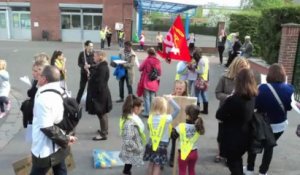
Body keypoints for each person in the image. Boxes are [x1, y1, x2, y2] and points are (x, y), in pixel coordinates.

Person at [244, 64, 294, 175]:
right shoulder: (290, 89)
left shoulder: (262, 88)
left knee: (254, 144)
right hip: (279, 125)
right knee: (269, 147)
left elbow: (254, 105)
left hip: (261, 124)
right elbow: (290, 107)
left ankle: (249, 169)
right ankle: (263, 172)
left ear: (269, 74)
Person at [30, 65, 77, 175]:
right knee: (60, 170)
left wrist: (65, 139)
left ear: (44, 79)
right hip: (59, 145)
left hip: (46, 148)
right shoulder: (62, 89)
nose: (37, 77)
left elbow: (47, 128)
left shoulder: (44, 98)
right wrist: (67, 138)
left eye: (40, 75)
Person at [216, 69, 258, 175]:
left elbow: (219, 115)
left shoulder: (234, 99)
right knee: (237, 160)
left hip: (233, 138)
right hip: (245, 135)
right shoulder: (252, 96)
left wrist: (229, 98)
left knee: (233, 163)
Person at [214, 57, 250, 163]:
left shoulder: (247, 79)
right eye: (241, 67)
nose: (243, 69)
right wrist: (229, 97)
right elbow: (217, 93)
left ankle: (232, 155)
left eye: (245, 67)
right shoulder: (224, 77)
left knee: (235, 135)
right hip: (225, 110)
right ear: (235, 66)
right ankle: (220, 153)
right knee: (222, 134)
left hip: (239, 112)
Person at [144, 96, 180, 175]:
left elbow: (149, 129)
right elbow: (178, 109)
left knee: (151, 163)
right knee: (157, 165)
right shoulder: (166, 118)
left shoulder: (150, 118)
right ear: (164, 107)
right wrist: (170, 100)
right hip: (162, 145)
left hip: (151, 143)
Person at [86, 50, 112, 141]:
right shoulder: (102, 65)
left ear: (100, 57)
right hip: (102, 92)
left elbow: (98, 82)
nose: (93, 58)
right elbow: (95, 70)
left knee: (101, 113)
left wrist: (90, 78)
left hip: (100, 94)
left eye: (95, 56)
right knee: (102, 113)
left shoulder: (102, 67)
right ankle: (104, 130)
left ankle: (103, 133)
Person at [174, 105, 205, 175]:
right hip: (194, 153)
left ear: (187, 115)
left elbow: (173, 136)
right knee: (191, 171)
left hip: (183, 153)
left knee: (182, 171)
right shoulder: (198, 126)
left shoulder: (181, 126)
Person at [119, 95, 146, 175]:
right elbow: (128, 141)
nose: (142, 109)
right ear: (135, 108)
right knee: (129, 162)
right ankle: (126, 172)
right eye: (141, 107)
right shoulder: (130, 123)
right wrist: (137, 148)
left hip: (130, 149)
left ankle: (126, 171)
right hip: (131, 149)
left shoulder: (130, 118)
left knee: (128, 163)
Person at [24, 58, 50, 127]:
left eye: (38, 70)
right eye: (34, 70)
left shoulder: (49, 86)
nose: (34, 73)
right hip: (34, 119)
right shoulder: (35, 82)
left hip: (44, 123)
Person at [138, 47, 162, 118]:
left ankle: (147, 112)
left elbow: (140, 68)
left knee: (146, 97)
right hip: (154, 81)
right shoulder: (157, 61)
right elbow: (160, 73)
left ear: (148, 53)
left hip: (146, 80)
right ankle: (153, 112)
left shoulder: (147, 60)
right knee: (153, 97)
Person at [194, 48, 209, 114]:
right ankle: (206, 110)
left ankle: (197, 110)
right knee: (203, 94)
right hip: (205, 79)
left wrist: (194, 69)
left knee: (197, 94)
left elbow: (201, 71)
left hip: (201, 79)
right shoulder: (205, 59)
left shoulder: (201, 61)